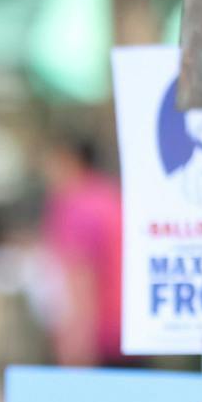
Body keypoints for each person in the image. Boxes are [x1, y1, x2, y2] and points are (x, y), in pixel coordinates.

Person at [39, 135, 126, 368]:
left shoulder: (75, 204)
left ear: (70, 160)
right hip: (127, 333)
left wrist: (76, 343)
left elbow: (81, 274)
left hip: (98, 340)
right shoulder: (109, 196)